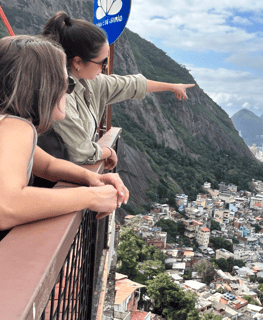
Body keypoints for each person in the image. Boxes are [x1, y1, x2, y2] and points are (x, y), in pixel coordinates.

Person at [0, 35, 129, 235]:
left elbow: (47, 165)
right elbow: (6, 207)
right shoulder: (14, 126)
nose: (69, 91)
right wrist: (91, 197)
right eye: (67, 82)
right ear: (43, 87)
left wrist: (92, 178)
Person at [39, 11, 195, 169]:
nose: (105, 68)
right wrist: (108, 151)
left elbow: (130, 84)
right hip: (50, 185)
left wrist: (172, 86)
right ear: (78, 62)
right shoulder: (59, 94)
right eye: (102, 62)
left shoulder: (88, 81)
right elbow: (83, 152)